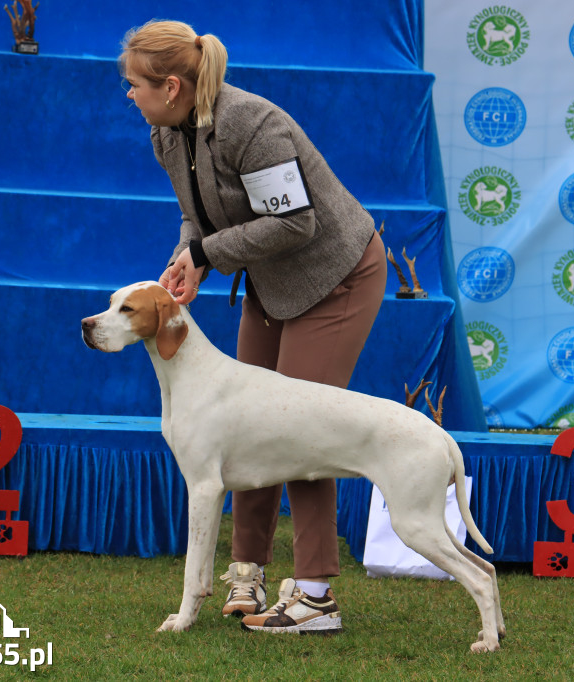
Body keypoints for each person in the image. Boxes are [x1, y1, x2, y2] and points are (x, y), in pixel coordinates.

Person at [120, 20, 387, 635]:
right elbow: (197, 218)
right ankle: (248, 571)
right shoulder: (166, 132)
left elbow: (295, 223)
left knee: (305, 431)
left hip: (335, 275)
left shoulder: (253, 124)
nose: (129, 96)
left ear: (170, 84)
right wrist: (188, 258)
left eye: (134, 85)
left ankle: (317, 596)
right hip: (269, 282)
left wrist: (210, 253)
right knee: (244, 424)